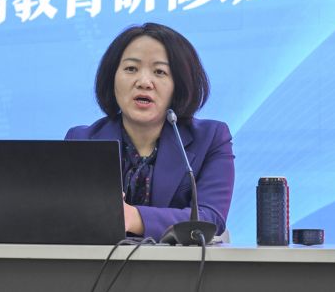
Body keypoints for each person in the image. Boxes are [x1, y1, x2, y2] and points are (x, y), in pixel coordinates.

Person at [66, 23, 235, 241]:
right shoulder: (82, 141)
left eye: (160, 72)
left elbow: (210, 218)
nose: (144, 82)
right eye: (131, 69)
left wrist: (133, 217)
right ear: (111, 77)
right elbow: (68, 217)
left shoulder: (211, 138)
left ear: (179, 85)